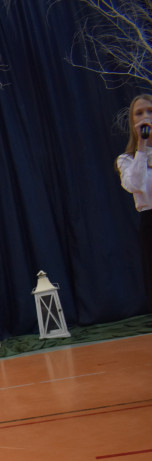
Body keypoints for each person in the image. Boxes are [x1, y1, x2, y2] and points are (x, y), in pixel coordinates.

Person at [117, 94, 152, 310]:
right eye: (139, 113)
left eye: (149, 111)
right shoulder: (127, 159)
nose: (145, 116)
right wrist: (141, 147)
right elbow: (135, 185)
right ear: (132, 122)